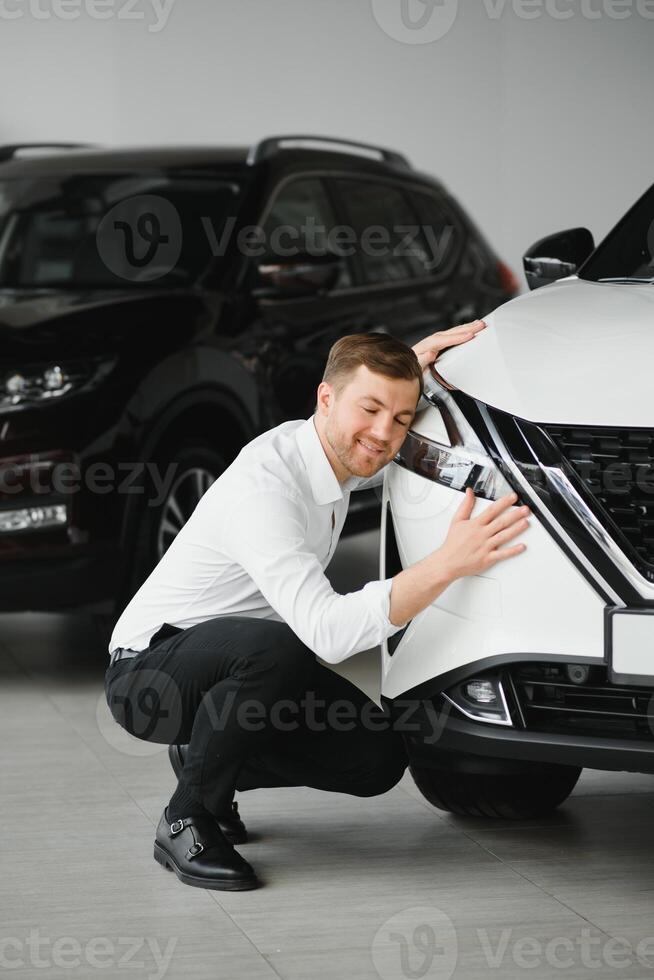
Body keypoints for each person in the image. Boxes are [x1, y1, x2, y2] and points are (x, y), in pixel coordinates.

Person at [104, 320, 531, 891]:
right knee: (282, 646)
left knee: (375, 757)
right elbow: (328, 633)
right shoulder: (268, 490)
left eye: (401, 418)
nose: (384, 433)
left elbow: (376, 427)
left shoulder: (330, 456)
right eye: (370, 409)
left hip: (244, 672)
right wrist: (447, 564)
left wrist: (417, 373)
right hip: (150, 672)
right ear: (324, 399)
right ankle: (187, 817)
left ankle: (205, 762)